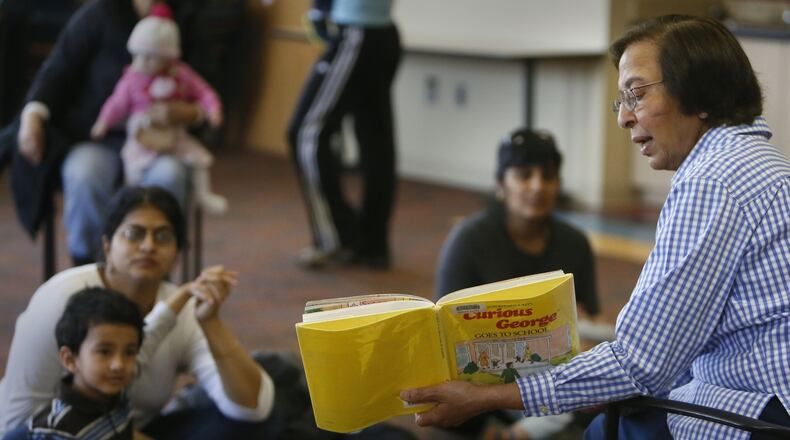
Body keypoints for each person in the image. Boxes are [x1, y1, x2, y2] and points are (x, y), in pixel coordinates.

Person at [401, 15, 790, 440]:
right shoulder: (765, 164)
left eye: (636, 95)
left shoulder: (711, 181)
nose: (624, 117)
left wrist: (490, 397)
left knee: (606, 427)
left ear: (702, 93)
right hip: (762, 393)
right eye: (620, 100)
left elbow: (641, 362)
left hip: (761, 412)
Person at [0, 186, 279, 439]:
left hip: (126, 429)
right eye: (134, 234)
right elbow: (15, 423)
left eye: (163, 236)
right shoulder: (60, 300)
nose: (148, 246)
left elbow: (253, 408)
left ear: (177, 252)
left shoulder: (177, 310)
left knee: (262, 424)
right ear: (107, 245)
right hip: (60, 434)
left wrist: (210, 321)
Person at [435, 128, 610, 439]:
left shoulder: (575, 243)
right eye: (524, 175)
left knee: (609, 396)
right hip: (485, 376)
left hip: (553, 372)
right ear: (501, 185)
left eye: (548, 176)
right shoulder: (468, 242)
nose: (537, 187)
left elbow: (587, 319)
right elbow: (442, 336)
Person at [11, 0, 202, 265]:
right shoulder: (98, 13)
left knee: (169, 176)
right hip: (99, 138)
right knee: (84, 174)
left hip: (160, 142)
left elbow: (205, 92)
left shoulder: (185, 15)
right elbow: (57, 71)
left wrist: (190, 112)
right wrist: (32, 116)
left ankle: (155, 273)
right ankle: (90, 267)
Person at [287, 0, 401, 270]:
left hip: (357, 32)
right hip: (377, 31)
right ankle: (371, 245)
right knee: (375, 140)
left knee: (305, 132)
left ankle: (338, 237)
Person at [91, 3, 227, 215]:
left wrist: (211, 110)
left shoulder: (181, 73)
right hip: (141, 137)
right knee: (134, 173)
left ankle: (203, 195)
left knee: (198, 162)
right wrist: (103, 121)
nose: (142, 62)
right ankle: (133, 211)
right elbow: (116, 102)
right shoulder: (132, 77)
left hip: (174, 136)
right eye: (138, 55)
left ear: (168, 57)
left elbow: (205, 91)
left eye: (150, 57)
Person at [27, 287, 146, 439]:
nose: (119, 365)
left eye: (129, 352)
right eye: (104, 352)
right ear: (69, 359)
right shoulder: (57, 430)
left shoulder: (116, 395)